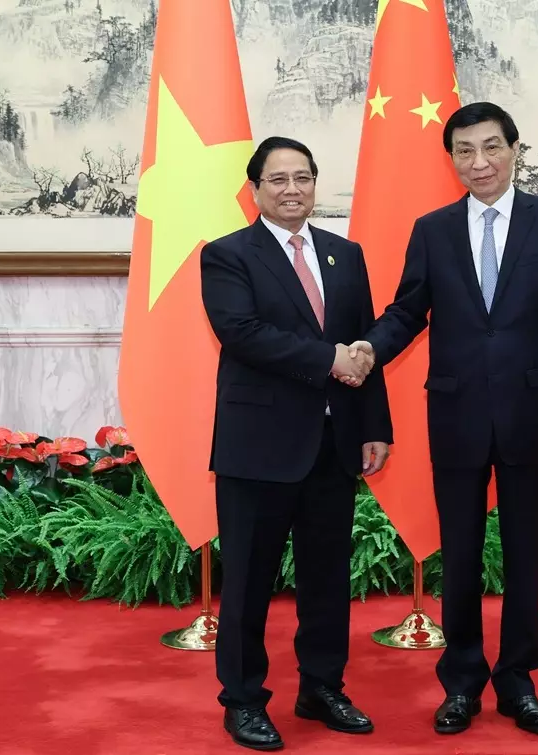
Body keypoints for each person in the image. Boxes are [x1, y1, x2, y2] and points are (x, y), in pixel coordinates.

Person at [344, 102, 538, 737]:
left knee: (524, 553)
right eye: (464, 151)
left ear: (514, 149)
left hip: (532, 417)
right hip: (455, 414)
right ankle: (461, 682)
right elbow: (407, 311)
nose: (479, 163)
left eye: (490, 147)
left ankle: (518, 680)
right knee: (460, 555)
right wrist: (369, 348)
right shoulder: (434, 229)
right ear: (451, 159)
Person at [200, 136, 393, 751]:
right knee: (249, 582)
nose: (292, 189)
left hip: (334, 445)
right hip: (258, 447)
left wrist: (375, 426)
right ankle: (243, 700)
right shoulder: (228, 255)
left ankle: (322, 687)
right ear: (255, 188)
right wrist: (328, 358)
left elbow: (364, 346)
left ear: (314, 183)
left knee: (327, 579)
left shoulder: (345, 254)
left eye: (302, 177)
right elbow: (242, 333)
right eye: (278, 179)